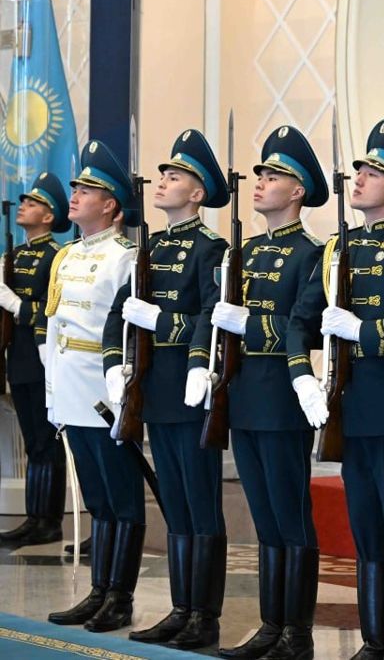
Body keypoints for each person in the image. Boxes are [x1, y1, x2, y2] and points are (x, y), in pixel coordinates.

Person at [287, 119, 384, 660]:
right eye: (361, 170)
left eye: (374, 173)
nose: (360, 178)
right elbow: (298, 321)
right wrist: (301, 374)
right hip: (349, 406)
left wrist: (363, 332)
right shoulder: (335, 249)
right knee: (366, 528)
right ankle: (374, 640)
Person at [199, 125, 327, 660]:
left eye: (274, 176)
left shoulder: (311, 253)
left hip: (282, 397)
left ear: (297, 191)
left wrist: (245, 324)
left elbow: (305, 325)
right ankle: (272, 624)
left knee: (290, 515)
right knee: (265, 519)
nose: (261, 182)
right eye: (261, 174)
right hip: (244, 394)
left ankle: (296, 631)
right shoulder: (243, 251)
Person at [107, 129, 229, 650]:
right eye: (162, 175)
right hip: (154, 391)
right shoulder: (149, 247)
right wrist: (116, 364)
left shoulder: (211, 248)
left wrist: (165, 326)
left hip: (191, 391)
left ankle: (205, 616)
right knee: (174, 504)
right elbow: (119, 313)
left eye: (174, 176)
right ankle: (182, 608)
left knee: (201, 504)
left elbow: (211, 316)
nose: (162, 182)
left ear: (197, 192)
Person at [45, 140, 144, 633]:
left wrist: (126, 388)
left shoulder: (125, 256)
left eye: (88, 189)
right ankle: (99, 590)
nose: (76, 194)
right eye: (76, 187)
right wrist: (52, 395)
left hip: (106, 394)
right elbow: (55, 329)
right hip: (70, 390)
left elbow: (128, 333)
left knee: (122, 499)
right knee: (98, 501)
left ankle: (120, 597)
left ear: (111, 204)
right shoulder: (64, 256)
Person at [0, 172, 70, 548]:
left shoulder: (55, 256)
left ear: (49, 216)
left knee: (46, 441)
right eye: (24, 201)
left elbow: (52, 310)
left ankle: (48, 520)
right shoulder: (16, 255)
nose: (23, 206)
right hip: (20, 357)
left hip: (43, 357)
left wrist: (14, 304)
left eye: (33, 203)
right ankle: (34, 517)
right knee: (33, 442)